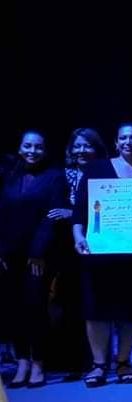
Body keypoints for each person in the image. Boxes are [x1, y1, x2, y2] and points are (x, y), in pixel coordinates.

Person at [72, 123, 132, 387]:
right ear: (115, 143)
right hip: (100, 251)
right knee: (96, 309)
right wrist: (78, 236)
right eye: (123, 138)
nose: (128, 142)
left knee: (130, 309)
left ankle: (124, 361)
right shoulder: (96, 168)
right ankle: (98, 364)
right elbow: (80, 209)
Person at [0, 132, 68, 388]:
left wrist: (38, 253)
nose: (32, 150)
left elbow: (52, 217)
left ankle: (38, 362)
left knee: (35, 307)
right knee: (13, 308)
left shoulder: (55, 176)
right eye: (27, 146)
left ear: (45, 150)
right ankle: (22, 362)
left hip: (38, 256)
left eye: (38, 147)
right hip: (8, 255)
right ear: (19, 148)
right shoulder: (8, 175)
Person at [49, 128, 108, 381]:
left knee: (97, 305)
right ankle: (74, 362)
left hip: (101, 246)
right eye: (77, 146)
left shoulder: (107, 172)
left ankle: (99, 361)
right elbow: (52, 208)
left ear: (97, 148)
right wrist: (70, 215)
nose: (82, 150)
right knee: (71, 305)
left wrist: (70, 213)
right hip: (67, 248)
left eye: (87, 145)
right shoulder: (63, 175)